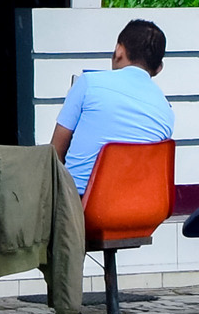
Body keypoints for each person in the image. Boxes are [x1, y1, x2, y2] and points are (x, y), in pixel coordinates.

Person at [51, 18, 175, 198]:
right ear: (158, 68)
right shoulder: (166, 110)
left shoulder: (88, 83)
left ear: (119, 50)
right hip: (138, 208)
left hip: (81, 205)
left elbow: (55, 154)